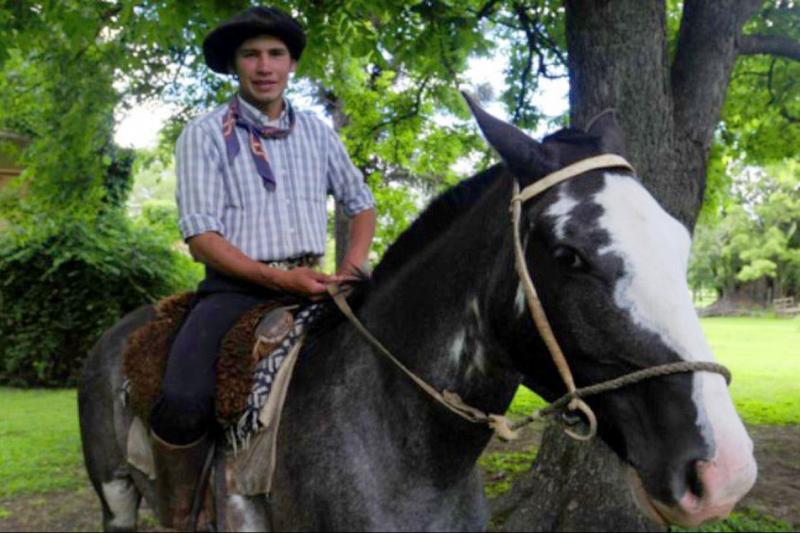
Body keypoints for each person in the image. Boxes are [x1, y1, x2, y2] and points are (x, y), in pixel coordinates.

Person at [147, 6, 376, 528]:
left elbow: (360, 203)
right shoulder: (203, 135)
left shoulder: (317, 132)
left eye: (275, 53)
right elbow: (202, 237)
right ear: (235, 65)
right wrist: (278, 279)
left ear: (292, 63)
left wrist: (353, 269)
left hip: (317, 283)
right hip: (234, 291)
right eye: (251, 54)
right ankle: (183, 514)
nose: (264, 65)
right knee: (183, 400)